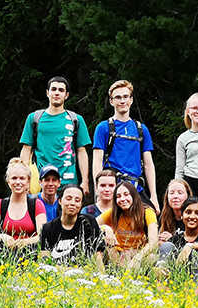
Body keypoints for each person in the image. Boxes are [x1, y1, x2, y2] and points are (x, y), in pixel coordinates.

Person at [92, 80, 159, 212]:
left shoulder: (141, 129)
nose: (122, 101)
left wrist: (154, 196)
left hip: (136, 189)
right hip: (112, 189)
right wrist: (98, 192)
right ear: (111, 101)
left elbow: (148, 164)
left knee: (150, 218)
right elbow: (97, 162)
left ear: (131, 100)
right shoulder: (103, 128)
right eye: (117, 97)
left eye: (125, 96)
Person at [19, 76, 91, 194]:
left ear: (66, 95)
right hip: (41, 182)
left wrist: (85, 181)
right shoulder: (34, 118)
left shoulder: (76, 119)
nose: (57, 93)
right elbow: (26, 150)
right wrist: (24, 179)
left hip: (68, 182)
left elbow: (81, 151)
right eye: (54, 89)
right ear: (48, 93)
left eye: (61, 90)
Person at [158, 197, 198, 294]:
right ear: (182, 215)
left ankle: (197, 294)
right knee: (166, 246)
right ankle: (162, 291)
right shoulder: (177, 238)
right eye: (188, 212)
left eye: (197, 213)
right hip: (180, 279)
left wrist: (191, 246)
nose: (192, 216)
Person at [0, 158, 47, 249]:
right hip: (3, 256)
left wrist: (24, 242)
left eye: (22, 178)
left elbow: (42, 235)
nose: (18, 182)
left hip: (30, 257)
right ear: (8, 181)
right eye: (14, 178)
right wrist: (3, 237)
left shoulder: (37, 205)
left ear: (28, 181)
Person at [40, 185, 105, 269]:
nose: (73, 203)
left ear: (81, 204)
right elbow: (45, 260)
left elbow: (98, 255)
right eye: (68, 199)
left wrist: (102, 279)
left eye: (77, 200)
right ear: (60, 201)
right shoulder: (48, 228)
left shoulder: (89, 222)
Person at [96, 181, 158, 268]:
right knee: (101, 248)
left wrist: (137, 258)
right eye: (118, 196)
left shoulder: (147, 212)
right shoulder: (114, 212)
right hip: (117, 254)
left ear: (134, 196)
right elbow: (91, 224)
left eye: (126, 194)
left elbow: (153, 242)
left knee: (152, 257)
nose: (122, 199)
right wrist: (106, 228)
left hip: (138, 254)